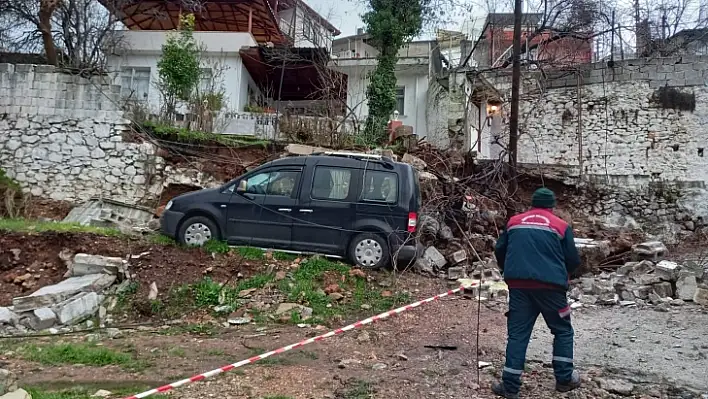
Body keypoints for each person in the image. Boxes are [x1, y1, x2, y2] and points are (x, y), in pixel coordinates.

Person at [492, 187, 582, 398]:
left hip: (519, 287)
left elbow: (499, 249)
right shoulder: (561, 226)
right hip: (552, 289)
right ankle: (564, 379)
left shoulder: (514, 222)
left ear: (532, 204)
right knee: (562, 330)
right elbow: (574, 260)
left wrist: (507, 268)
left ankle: (510, 387)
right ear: (552, 206)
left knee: (518, 335)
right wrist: (563, 273)